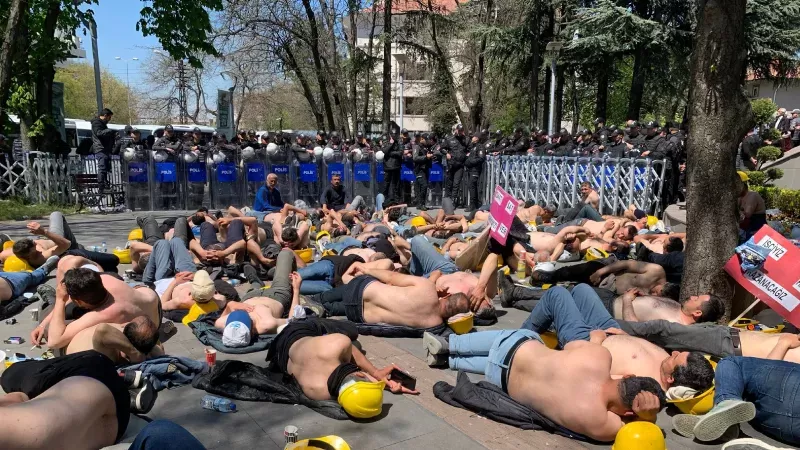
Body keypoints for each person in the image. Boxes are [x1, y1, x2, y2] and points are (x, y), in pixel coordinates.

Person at [422, 325, 666, 441]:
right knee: (492, 366)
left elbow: (569, 345)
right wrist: (647, 415)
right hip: (500, 381)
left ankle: (451, 345)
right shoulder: (600, 422)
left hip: (515, 347)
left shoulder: (600, 357)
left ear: (627, 376)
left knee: (524, 343)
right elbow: (631, 429)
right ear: (627, 412)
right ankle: (451, 361)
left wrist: (598, 338)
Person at [511, 284, 715, 392]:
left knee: (557, 294)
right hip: (613, 330)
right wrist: (624, 335)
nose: (675, 352)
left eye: (675, 358)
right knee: (582, 290)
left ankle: (515, 344)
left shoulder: (647, 385)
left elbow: (598, 379)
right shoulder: (667, 367)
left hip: (587, 342)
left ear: (670, 379)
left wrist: (596, 341)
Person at [267, 318, 417, 419]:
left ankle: (301, 317)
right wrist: (381, 381)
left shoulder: (337, 343)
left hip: (299, 330)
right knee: (354, 343)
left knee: (351, 331)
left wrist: (376, 373)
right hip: (282, 354)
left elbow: (351, 359)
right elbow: (350, 381)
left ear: (359, 372)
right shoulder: (321, 393)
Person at [0, 350, 146, 448]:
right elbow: (20, 397)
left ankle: (125, 378)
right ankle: (124, 376)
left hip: (109, 422)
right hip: (94, 378)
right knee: (10, 376)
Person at [673, 356, 800, 446]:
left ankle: (727, 402)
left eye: (675, 356)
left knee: (731, 362)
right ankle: (727, 416)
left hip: (784, 417)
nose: (674, 353)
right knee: (750, 403)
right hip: (791, 431)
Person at [32, 268, 160, 349]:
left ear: (79, 301)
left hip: (140, 321)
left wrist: (60, 299)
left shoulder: (100, 315)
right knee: (64, 312)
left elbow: (54, 342)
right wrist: (43, 325)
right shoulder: (106, 279)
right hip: (153, 304)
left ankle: (50, 299)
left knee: (54, 320)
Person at [307, 265, 469, 329]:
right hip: (359, 315)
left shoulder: (427, 287)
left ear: (447, 295)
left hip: (361, 289)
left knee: (320, 297)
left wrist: (367, 269)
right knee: (327, 309)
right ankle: (307, 310)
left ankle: (305, 301)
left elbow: (391, 277)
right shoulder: (434, 324)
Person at [66, 316, 163, 364]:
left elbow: (102, 330)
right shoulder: (150, 349)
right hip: (75, 333)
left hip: (63, 348)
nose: (126, 322)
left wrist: (133, 353)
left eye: (129, 322)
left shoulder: (110, 353)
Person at [443, 124, 468, 207]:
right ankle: (448, 200)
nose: (460, 132)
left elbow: (470, 147)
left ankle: (453, 201)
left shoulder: (465, 139)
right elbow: (441, 148)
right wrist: (446, 153)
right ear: (456, 130)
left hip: (460, 165)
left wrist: (468, 153)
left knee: (456, 184)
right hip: (451, 164)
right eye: (459, 130)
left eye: (462, 130)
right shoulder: (449, 138)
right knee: (449, 183)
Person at [91, 108, 116, 187]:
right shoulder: (96, 123)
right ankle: (101, 186)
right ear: (105, 116)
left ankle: (105, 183)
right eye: (109, 117)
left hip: (105, 149)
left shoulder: (102, 124)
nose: (109, 119)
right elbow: (99, 133)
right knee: (102, 168)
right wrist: (109, 131)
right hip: (100, 148)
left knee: (105, 168)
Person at [737, 171, 767, 239]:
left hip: (756, 229)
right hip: (746, 228)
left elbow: (747, 214)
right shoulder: (739, 197)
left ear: (743, 184)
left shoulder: (752, 195)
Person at [381, 133, 403, 202]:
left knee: (396, 185)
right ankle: (385, 200)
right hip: (388, 167)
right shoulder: (386, 141)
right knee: (386, 184)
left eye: (395, 135)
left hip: (396, 166)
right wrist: (391, 144)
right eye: (392, 135)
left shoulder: (399, 142)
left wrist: (390, 153)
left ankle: (396, 200)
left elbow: (400, 153)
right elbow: (384, 151)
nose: (394, 136)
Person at [412, 134, 432, 210]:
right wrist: (426, 157)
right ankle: (420, 203)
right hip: (419, 169)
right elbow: (415, 158)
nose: (427, 141)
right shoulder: (417, 146)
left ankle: (421, 204)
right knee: (424, 185)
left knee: (421, 187)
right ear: (421, 139)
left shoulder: (425, 147)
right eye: (425, 139)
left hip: (425, 169)